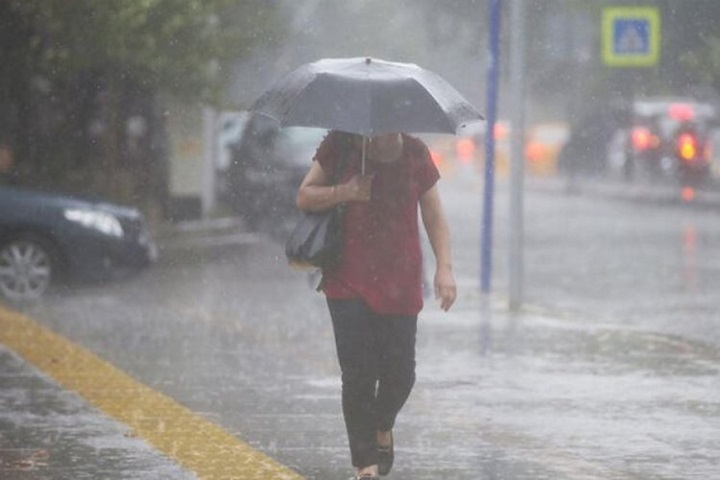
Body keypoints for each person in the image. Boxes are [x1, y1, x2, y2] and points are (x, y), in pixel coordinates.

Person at [296, 130, 457, 479]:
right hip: (347, 278)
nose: (385, 132)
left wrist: (444, 268)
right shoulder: (340, 144)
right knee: (358, 374)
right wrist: (345, 191)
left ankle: (383, 425)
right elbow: (305, 195)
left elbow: (433, 215)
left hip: (401, 280)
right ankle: (364, 463)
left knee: (401, 375)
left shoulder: (415, 153)